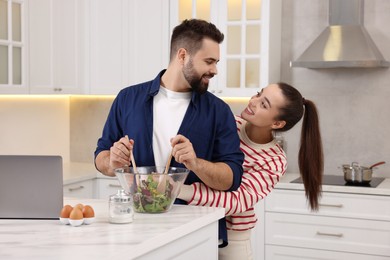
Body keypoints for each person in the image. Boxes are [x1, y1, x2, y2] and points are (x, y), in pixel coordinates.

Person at [94, 19, 244, 246]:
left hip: (197, 231)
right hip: (136, 227)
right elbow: (100, 158)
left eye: (216, 62)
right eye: (209, 61)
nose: (214, 70)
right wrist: (112, 161)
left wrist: (195, 163)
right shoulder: (127, 99)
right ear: (182, 56)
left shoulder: (219, 110)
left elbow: (231, 179)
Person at [177, 82, 324, 260]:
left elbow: (235, 201)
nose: (253, 101)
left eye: (264, 104)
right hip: (195, 222)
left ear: (277, 123)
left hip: (233, 239)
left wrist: (179, 189)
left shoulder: (274, 161)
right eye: (258, 94)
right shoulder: (228, 123)